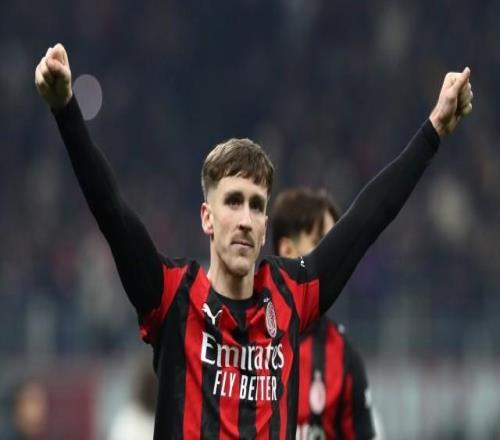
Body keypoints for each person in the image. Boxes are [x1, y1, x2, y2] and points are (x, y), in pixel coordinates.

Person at [34, 43, 473, 438]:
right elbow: (110, 210)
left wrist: (433, 131)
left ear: (265, 225)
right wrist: (65, 110)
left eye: (256, 206)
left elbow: (367, 220)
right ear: (207, 218)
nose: (245, 219)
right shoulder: (171, 295)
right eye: (233, 202)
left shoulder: (291, 294)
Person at [271, 188, 376, 439]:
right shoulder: (241, 335)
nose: (334, 258)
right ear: (287, 250)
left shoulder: (343, 356)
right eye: (322, 244)